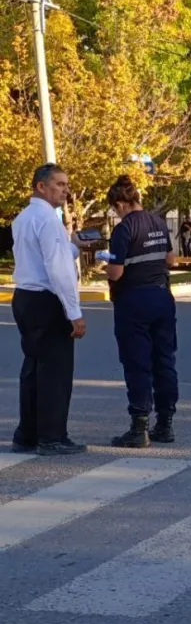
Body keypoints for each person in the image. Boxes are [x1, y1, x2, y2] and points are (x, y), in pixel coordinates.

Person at [10, 164, 88, 455]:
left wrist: (74, 246)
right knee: (55, 370)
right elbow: (58, 270)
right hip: (46, 300)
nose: (65, 190)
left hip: (26, 298)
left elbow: (46, 255)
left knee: (33, 367)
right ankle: (52, 437)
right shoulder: (47, 219)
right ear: (41, 186)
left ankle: (27, 434)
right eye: (59, 184)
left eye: (66, 184)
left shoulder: (24, 218)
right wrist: (74, 312)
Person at [101, 176, 179, 448]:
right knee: (164, 361)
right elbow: (171, 259)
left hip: (134, 300)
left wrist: (106, 265)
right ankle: (166, 423)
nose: (115, 212)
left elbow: (116, 271)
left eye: (115, 208)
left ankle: (139, 426)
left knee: (137, 364)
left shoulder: (124, 229)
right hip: (162, 297)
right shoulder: (157, 222)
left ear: (121, 203)